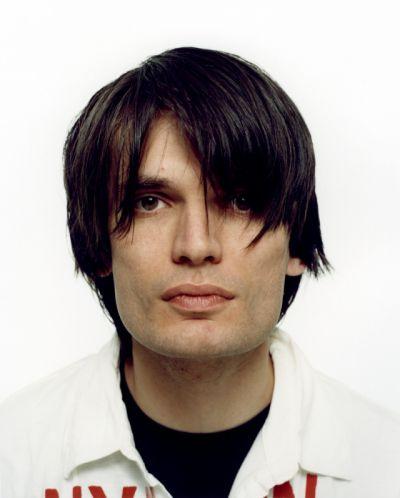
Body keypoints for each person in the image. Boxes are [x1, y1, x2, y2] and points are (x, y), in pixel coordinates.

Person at [0, 46, 399, 498]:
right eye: (150, 202)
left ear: (298, 242)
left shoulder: (389, 467)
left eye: (240, 202)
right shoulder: (12, 460)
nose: (196, 246)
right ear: (99, 245)